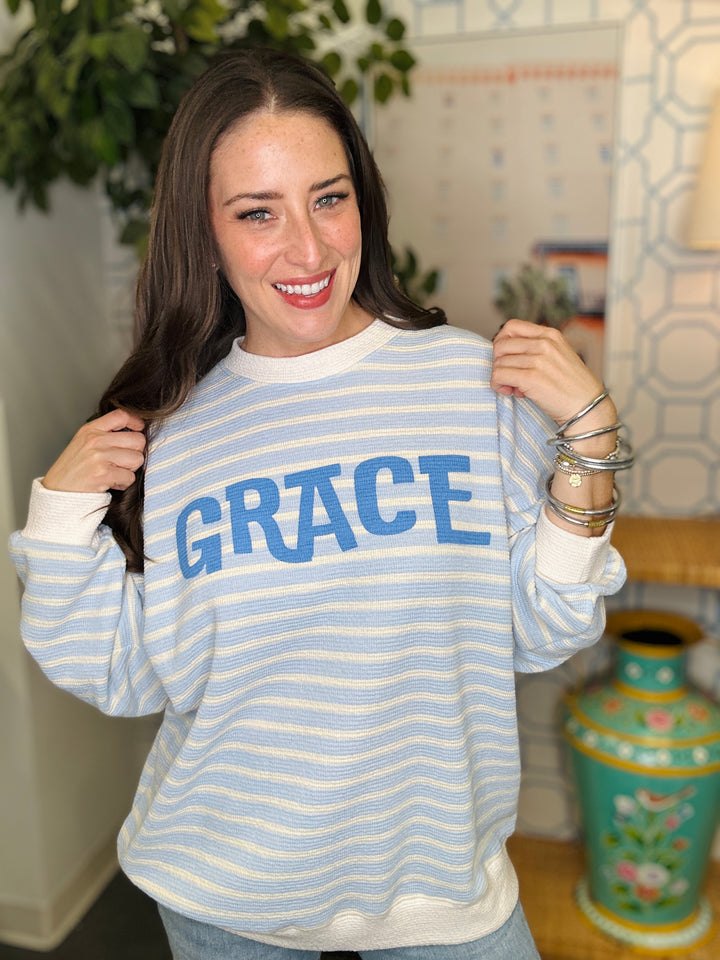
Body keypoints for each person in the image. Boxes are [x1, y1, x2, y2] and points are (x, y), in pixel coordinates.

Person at [8, 48, 631, 960]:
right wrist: (61, 521)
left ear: (362, 203)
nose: (307, 249)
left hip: (443, 894)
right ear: (205, 234)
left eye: (328, 199)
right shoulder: (171, 430)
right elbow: (128, 673)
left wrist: (592, 438)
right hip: (224, 902)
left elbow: (543, 628)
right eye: (257, 212)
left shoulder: (468, 385)